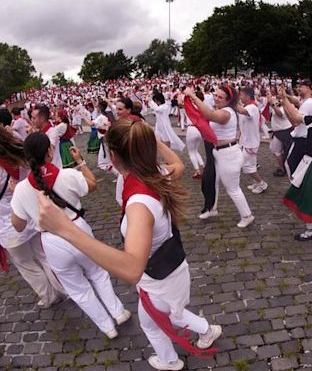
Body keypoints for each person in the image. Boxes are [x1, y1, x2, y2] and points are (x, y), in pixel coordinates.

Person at [37, 119, 222, 371]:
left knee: (156, 321)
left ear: (112, 155)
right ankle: (200, 336)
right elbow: (178, 164)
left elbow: (132, 269)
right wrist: (152, 141)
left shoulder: (138, 204)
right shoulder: (157, 173)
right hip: (171, 265)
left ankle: (171, 360)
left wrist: (64, 229)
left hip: (157, 277)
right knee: (171, 314)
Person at [11, 132, 130, 339]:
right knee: (98, 272)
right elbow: (92, 184)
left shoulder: (21, 189)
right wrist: (80, 162)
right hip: (77, 228)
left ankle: (106, 327)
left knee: (78, 288)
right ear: (49, 152)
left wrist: (21, 201)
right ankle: (118, 312)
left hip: (51, 240)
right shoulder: (66, 175)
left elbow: (18, 225)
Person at [0, 127, 65, 308]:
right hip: (29, 210)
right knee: (43, 254)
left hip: (8, 222)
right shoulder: (17, 152)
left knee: (26, 263)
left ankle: (48, 295)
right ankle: (62, 288)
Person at [184, 85, 255, 228]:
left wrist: (193, 96)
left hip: (228, 154)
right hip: (219, 152)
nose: (216, 98)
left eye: (220, 97)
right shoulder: (224, 109)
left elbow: (209, 115)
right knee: (212, 181)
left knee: (233, 188)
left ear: (228, 100)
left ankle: (247, 215)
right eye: (215, 95)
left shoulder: (227, 112)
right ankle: (212, 208)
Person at [282, 98, 312, 241]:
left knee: (310, 197)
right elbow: (296, 116)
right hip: (308, 162)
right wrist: (283, 98)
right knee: (299, 192)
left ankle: (310, 230)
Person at [280, 80, 312, 177]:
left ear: (309, 88)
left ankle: (296, 189)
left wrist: (284, 102)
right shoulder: (306, 101)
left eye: (301, 87)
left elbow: (295, 122)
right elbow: (296, 101)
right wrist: (286, 96)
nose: (298, 89)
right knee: (297, 167)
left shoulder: (308, 103)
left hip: (301, 140)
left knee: (290, 165)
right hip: (304, 140)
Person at [237, 87, 268, 194]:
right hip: (245, 141)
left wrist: (232, 101)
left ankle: (262, 184)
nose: (240, 97)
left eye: (241, 95)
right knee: (249, 165)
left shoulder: (252, 107)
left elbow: (242, 111)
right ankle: (256, 181)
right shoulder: (248, 106)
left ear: (247, 96)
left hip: (251, 142)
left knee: (247, 166)